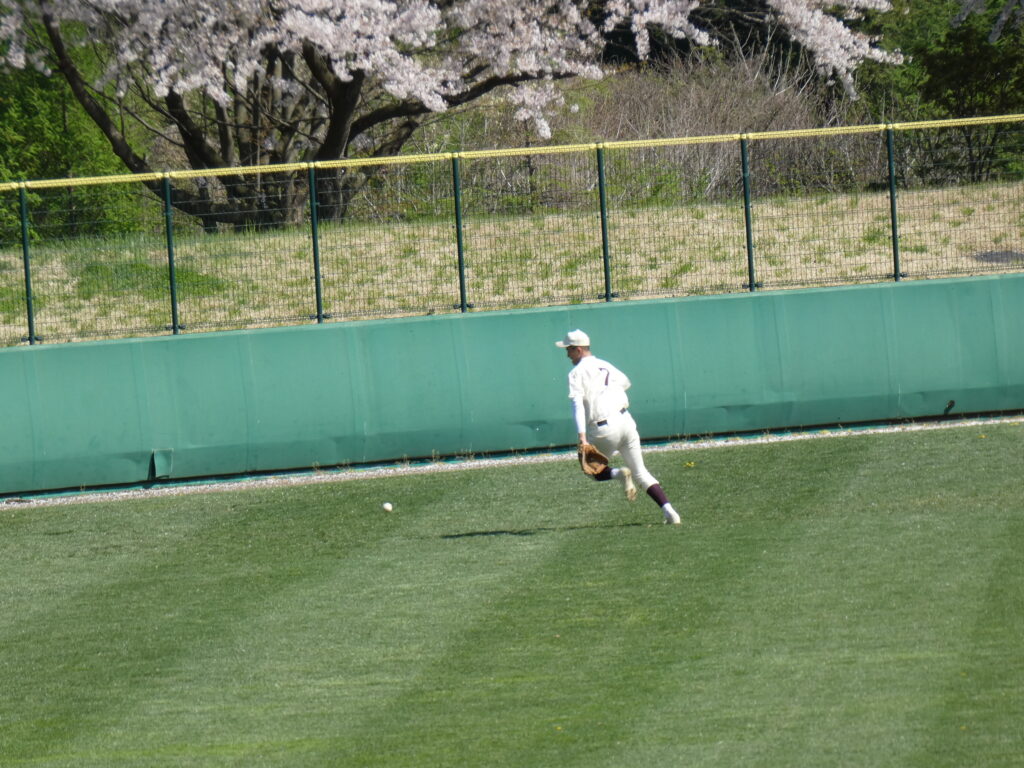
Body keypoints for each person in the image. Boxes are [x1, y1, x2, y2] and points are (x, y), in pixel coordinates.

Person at [555, 329, 681, 525]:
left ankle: (619, 474)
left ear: (578, 349)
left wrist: (582, 437)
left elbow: (577, 405)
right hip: (625, 421)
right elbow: (625, 383)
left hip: (603, 428)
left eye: (569, 350)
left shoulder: (576, 373)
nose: (567, 354)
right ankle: (669, 511)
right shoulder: (605, 365)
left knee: (592, 469)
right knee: (641, 472)